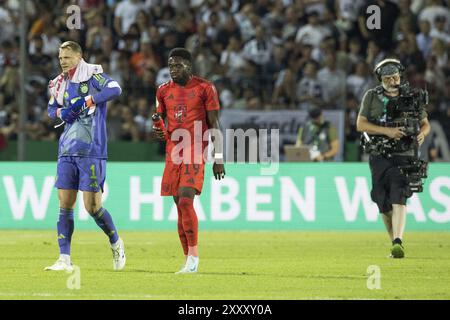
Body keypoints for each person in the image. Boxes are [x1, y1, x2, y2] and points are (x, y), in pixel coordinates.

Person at [45, 41, 125, 271]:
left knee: (92, 208)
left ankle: (116, 242)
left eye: (67, 57)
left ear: (79, 57)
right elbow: (52, 109)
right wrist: (63, 112)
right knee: (65, 204)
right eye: (60, 58)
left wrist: (89, 100)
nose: (63, 61)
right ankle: (64, 259)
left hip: (92, 150)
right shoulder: (59, 83)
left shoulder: (93, 76)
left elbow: (115, 88)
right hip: (67, 151)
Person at [152, 48, 225, 274]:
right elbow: (161, 123)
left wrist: (219, 158)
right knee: (179, 206)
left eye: (178, 66)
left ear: (189, 67)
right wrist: (157, 128)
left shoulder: (205, 88)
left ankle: (193, 257)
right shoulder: (163, 91)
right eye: (171, 66)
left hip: (196, 149)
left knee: (185, 201)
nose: (173, 70)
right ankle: (187, 259)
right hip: (173, 151)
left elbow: (214, 124)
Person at [356, 59, 430, 258]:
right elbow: (361, 125)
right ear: (381, 79)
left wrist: (422, 133)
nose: (392, 80)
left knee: (399, 194)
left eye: (395, 76)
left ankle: (398, 240)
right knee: (382, 200)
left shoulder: (413, 96)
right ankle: (394, 243)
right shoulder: (371, 96)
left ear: (400, 76)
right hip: (379, 154)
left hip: (404, 154)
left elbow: (425, 123)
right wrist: (387, 131)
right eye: (388, 78)